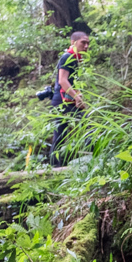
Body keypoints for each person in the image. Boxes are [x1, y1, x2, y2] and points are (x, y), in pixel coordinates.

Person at [49, 31, 90, 166]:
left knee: (62, 134)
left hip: (68, 100)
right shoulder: (68, 57)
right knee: (63, 134)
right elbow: (62, 81)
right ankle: (55, 168)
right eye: (83, 42)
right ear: (73, 43)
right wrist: (76, 96)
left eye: (87, 43)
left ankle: (56, 166)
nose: (86, 46)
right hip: (62, 102)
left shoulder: (74, 58)